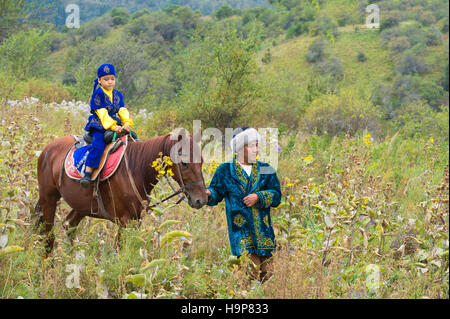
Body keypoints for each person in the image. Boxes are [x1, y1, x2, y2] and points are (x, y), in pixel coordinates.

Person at [205, 126, 281, 282]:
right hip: (242, 233)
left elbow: (277, 195)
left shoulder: (266, 169)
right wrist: (208, 194)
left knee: (269, 274)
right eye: (252, 146)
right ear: (240, 148)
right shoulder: (225, 170)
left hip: (264, 232)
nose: (256, 150)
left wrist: (259, 197)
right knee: (250, 275)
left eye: (257, 145)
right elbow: (215, 192)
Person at [75, 63, 134, 188]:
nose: (110, 82)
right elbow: (102, 113)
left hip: (114, 122)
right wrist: (113, 126)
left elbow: (122, 110)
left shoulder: (118, 94)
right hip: (99, 125)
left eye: (112, 79)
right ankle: (88, 172)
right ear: (99, 80)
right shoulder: (98, 94)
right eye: (106, 79)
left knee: (133, 137)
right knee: (98, 145)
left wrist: (127, 123)